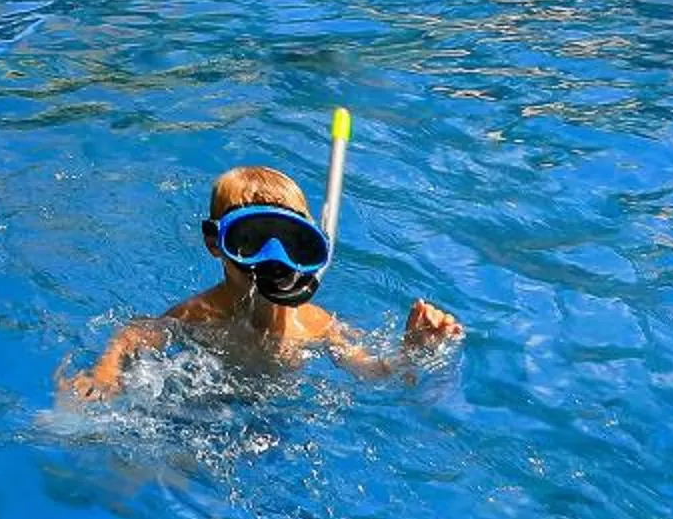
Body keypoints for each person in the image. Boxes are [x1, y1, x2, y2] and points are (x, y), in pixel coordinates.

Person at [63, 165, 462, 400]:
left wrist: (413, 351)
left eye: (288, 241)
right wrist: (106, 371)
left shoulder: (316, 324)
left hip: (276, 421)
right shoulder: (199, 314)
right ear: (215, 244)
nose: (272, 258)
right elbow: (135, 333)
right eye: (250, 240)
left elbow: (374, 373)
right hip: (201, 408)